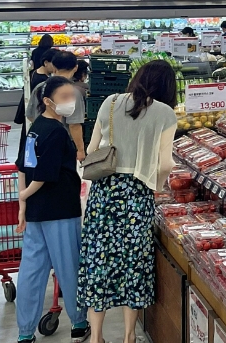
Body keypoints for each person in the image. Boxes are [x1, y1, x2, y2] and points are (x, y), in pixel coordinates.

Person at [78, 60, 177, 343]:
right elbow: (166, 163)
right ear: (167, 87)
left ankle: (96, 336)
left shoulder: (110, 101)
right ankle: (129, 336)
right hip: (136, 197)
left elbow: (91, 148)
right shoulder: (165, 113)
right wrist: (155, 184)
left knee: (100, 261)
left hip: (104, 194)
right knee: (133, 264)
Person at [15, 76, 90, 343]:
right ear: (48, 101)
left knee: (31, 271)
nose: (71, 102)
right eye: (65, 98)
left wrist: (23, 204)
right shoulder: (58, 132)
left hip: (37, 212)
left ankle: (25, 332)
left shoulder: (35, 127)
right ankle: (79, 324)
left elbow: (23, 167)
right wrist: (25, 194)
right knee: (68, 267)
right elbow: (43, 176)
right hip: (60, 209)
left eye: (73, 96)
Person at [27, 51, 86, 162]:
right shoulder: (72, 92)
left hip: (38, 140)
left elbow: (30, 115)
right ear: (75, 67)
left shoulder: (40, 87)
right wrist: (80, 150)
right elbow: (74, 125)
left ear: (53, 66)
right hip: (61, 144)